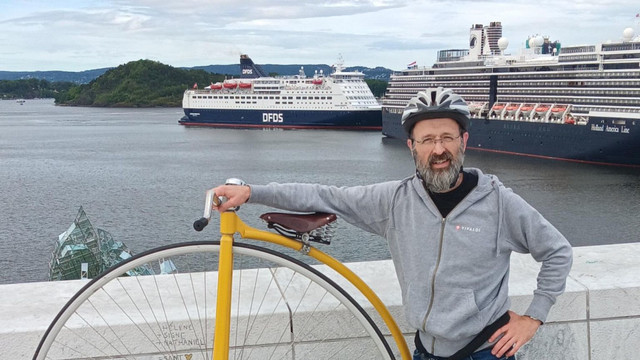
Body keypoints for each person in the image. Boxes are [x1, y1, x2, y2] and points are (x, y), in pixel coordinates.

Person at [211, 87, 573, 360]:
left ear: (463, 142)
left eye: (447, 137)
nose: (438, 150)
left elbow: (556, 251)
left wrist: (534, 317)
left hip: (484, 351)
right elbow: (325, 195)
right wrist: (252, 191)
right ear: (411, 147)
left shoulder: (499, 203)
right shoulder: (395, 201)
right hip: (425, 350)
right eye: (427, 140)